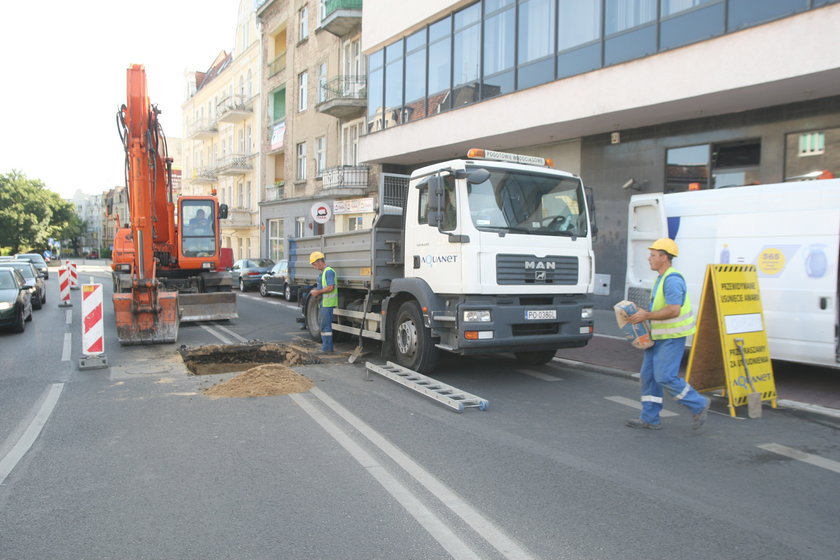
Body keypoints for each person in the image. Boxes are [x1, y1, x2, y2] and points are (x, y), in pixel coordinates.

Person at [626, 238, 710, 430]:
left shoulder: (672, 280)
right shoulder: (661, 278)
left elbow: (674, 310)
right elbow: (661, 308)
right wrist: (640, 312)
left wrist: (646, 315)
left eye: (653, 255)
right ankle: (650, 418)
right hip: (658, 338)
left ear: (664, 257)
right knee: (648, 377)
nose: (649, 259)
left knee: (664, 376)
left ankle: (699, 404)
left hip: (671, 338)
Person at [309, 251, 337, 352]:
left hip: (327, 303)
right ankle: (326, 348)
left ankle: (327, 349)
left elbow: (330, 288)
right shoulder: (324, 273)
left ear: (319, 261)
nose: (314, 266)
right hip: (324, 302)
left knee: (325, 326)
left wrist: (317, 292)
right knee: (324, 325)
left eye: (314, 264)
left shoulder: (328, 271)